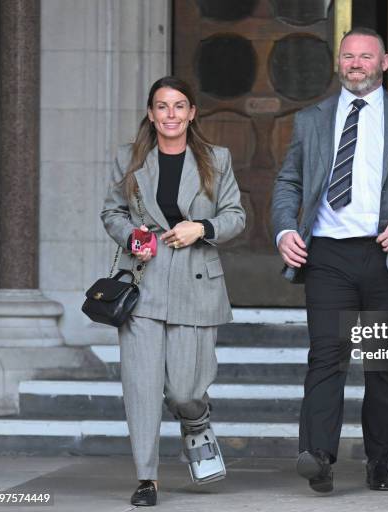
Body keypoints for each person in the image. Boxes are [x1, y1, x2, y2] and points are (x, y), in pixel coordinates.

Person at [271, 27, 388, 493]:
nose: (356, 64)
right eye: (348, 56)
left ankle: (379, 461)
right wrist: (285, 228)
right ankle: (320, 457)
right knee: (326, 357)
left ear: (385, 62)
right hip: (327, 254)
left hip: (386, 253)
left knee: (382, 364)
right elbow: (288, 181)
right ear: (339, 61)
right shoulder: (311, 119)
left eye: (365, 57)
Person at [101, 76, 245, 506]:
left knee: (184, 390)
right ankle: (148, 479)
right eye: (162, 106)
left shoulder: (216, 159)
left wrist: (201, 227)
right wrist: (131, 236)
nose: (171, 114)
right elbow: (112, 211)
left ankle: (196, 424)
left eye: (179, 106)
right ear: (151, 113)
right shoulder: (129, 158)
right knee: (142, 389)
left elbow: (236, 215)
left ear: (192, 113)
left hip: (196, 283)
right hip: (142, 285)